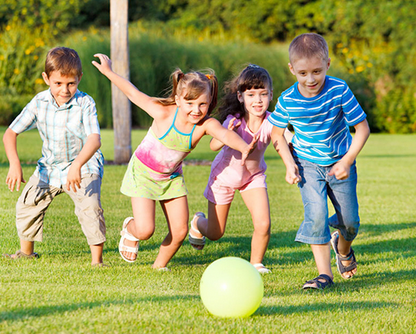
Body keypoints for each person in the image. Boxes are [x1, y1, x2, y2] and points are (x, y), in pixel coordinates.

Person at [92, 53, 256, 270]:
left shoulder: (204, 125)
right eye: (189, 103)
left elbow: (224, 134)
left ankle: (158, 267)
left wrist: (244, 147)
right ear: (178, 100)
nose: (196, 110)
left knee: (179, 232)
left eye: (202, 104)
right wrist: (109, 72)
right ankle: (131, 230)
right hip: (143, 174)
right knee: (145, 230)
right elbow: (133, 93)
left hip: (171, 178)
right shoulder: (162, 112)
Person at [269, 33, 370, 289]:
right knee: (315, 215)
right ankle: (325, 275)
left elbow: (363, 128)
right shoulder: (288, 100)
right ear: (292, 69)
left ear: (328, 64)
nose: (310, 79)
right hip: (307, 165)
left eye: (317, 71)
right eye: (303, 73)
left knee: (350, 222)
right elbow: (276, 133)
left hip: (339, 163)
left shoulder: (339, 90)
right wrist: (289, 164)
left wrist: (347, 161)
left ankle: (343, 248)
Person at [3, 47, 107, 267]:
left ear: (79, 78)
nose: (65, 90)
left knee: (90, 206)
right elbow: (10, 133)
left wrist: (77, 164)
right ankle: (26, 253)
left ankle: (97, 261)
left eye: (71, 83)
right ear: (46, 78)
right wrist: (14, 164)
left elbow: (94, 140)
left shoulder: (85, 103)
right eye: (58, 83)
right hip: (49, 167)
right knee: (28, 203)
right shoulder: (39, 102)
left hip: (84, 165)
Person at [187, 64, 293, 274]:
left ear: (271, 95)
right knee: (216, 233)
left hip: (252, 178)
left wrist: (297, 154)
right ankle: (198, 222)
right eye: (251, 94)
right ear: (240, 96)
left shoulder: (272, 121)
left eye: (263, 94)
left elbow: (286, 139)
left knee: (263, 224)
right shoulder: (233, 120)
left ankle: (256, 264)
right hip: (223, 178)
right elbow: (213, 145)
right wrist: (225, 132)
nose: (258, 100)